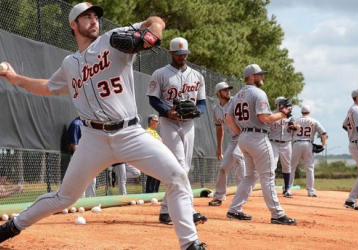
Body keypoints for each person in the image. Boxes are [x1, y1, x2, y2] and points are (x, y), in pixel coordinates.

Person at [0, 3, 205, 249]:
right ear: (73, 25)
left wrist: (154, 32)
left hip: (130, 133)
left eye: (95, 15)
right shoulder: (70, 64)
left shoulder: (112, 39)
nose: (94, 20)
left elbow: (155, 20)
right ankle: (12, 227)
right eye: (86, 17)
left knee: (177, 177)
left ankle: (190, 243)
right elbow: (46, 86)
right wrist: (14, 78)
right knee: (64, 197)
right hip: (92, 140)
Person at [224, 63, 297, 225]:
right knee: (268, 176)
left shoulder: (237, 96)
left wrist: (239, 132)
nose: (262, 76)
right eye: (259, 74)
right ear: (251, 76)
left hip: (244, 138)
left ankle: (235, 209)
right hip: (258, 138)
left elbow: (228, 118)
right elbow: (265, 118)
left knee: (250, 176)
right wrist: (282, 114)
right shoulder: (258, 93)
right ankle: (277, 214)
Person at [146, 37, 208, 226]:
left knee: (184, 168)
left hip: (189, 124)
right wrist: (166, 111)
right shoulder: (161, 73)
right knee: (179, 164)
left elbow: (203, 102)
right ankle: (188, 209)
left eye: (184, 54)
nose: (182, 57)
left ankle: (166, 211)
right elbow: (153, 99)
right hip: (169, 123)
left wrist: (199, 111)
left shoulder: (197, 76)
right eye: (178, 54)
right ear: (171, 53)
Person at [208, 82, 247, 206]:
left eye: (228, 89)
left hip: (244, 135)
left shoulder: (235, 103)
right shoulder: (216, 109)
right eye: (224, 90)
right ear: (218, 93)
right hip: (234, 139)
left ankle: (242, 193)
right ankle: (219, 196)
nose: (228, 91)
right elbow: (219, 128)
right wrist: (219, 147)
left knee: (238, 157)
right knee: (223, 167)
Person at [288, 104, 327, 198]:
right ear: (309, 112)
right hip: (308, 144)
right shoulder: (314, 121)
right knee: (309, 168)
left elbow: (290, 133)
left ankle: (288, 188)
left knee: (292, 167)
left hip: (297, 143)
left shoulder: (296, 120)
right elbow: (324, 133)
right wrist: (323, 144)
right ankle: (311, 191)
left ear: (301, 111)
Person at [269, 97, 299, 198]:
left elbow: (297, 127)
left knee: (287, 166)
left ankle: (287, 189)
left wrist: (295, 127)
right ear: (278, 105)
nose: (285, 106)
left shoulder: (290, 116)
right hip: (273, 143)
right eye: (283, 104)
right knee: (272, 166)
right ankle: (271, 189)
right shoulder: (271, 115)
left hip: (286, 143)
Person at [67, 117, 97, 198]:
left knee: (92, 181)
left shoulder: (88, 124)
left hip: (89, 156)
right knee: (80, 182)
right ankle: (81, 202)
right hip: (80, 157)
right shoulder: (76, 124)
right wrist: (80, 159)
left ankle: (92, 202)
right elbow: (74, 144)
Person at [145, 114, 162, 193]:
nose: (158, 123)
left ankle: (155, 192)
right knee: (152, 175)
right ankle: (149, 192)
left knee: (159, 175)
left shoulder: (155, 132)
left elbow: (161, 141)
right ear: (151, 121)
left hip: (158, 156)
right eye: (156, 121)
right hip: (151, 156)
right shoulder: (147, 131)